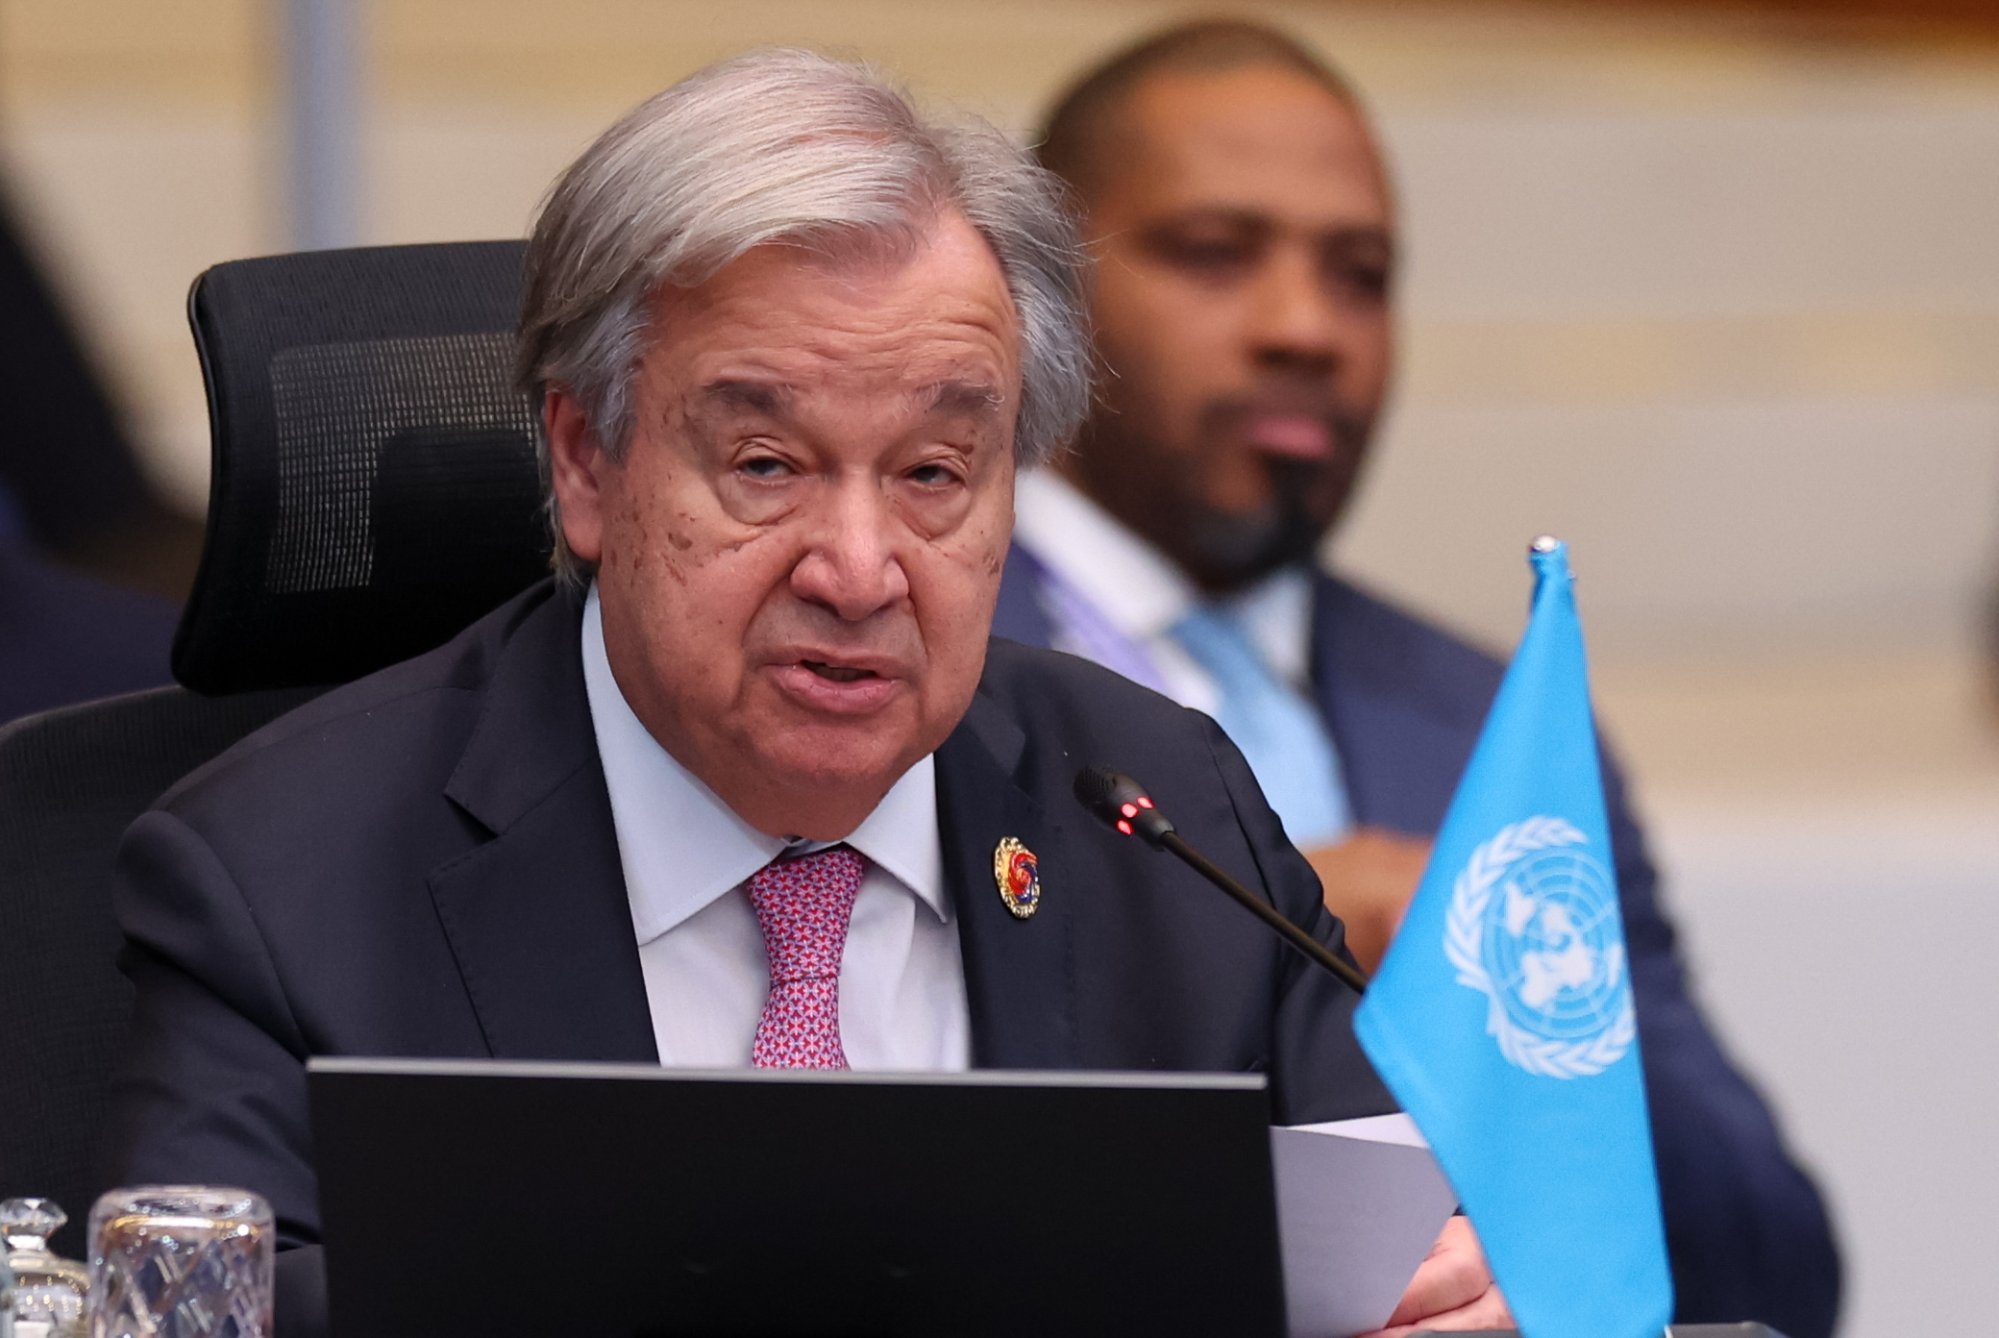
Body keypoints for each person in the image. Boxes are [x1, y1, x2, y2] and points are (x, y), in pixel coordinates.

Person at [102, 50, 1509, 1337]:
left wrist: (1449, 1294)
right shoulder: (274, 881)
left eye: (934, 474)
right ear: (587, 463)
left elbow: (1387, 1256)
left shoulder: (1167, 817)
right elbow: (216, 1313)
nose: (858, 568)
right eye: (766, 463)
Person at [994, 20, 1839, 1338]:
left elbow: (1771, 1261)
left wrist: (1514, 1000)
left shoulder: (1481, 722)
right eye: (1216, 254)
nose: (1304, 328)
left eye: (1362, 274)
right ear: (1040, 295)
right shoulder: (906, 650)